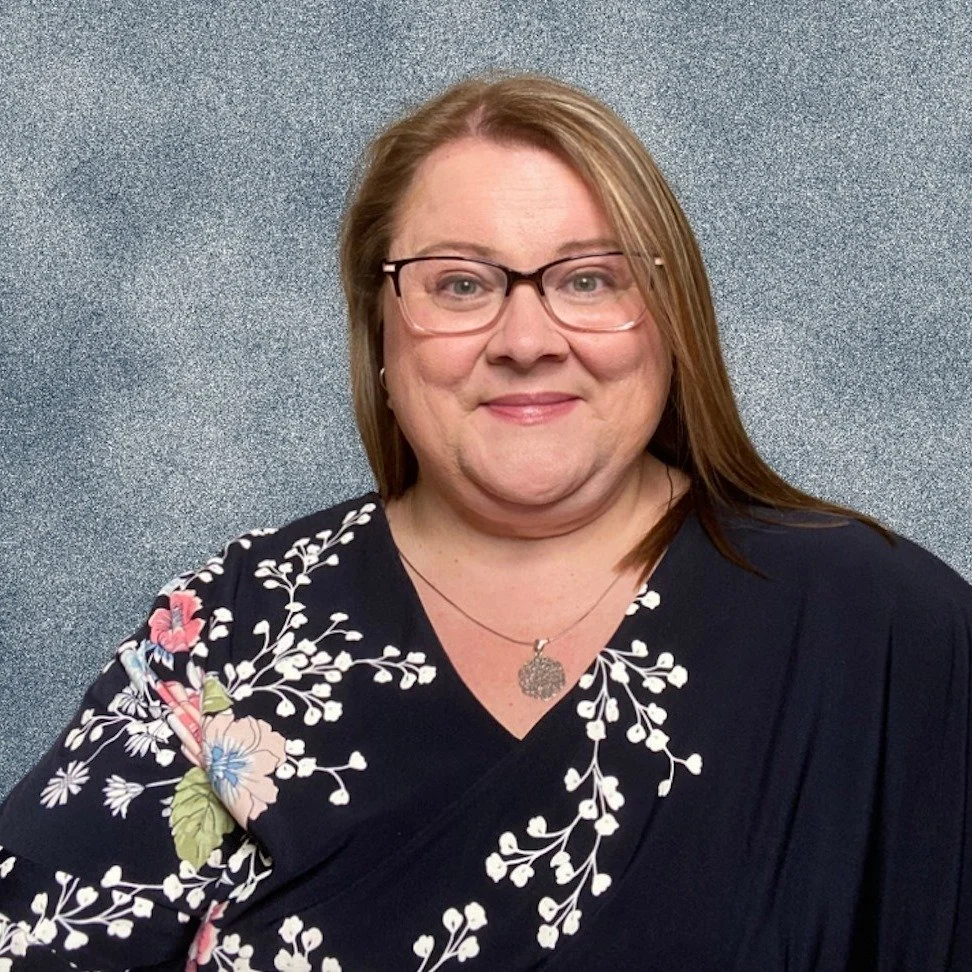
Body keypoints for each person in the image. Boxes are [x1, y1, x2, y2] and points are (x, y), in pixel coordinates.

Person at [0, 70, 969, 971]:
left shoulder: (884, 628)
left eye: (588, 279)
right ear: (380, 331)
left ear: (669, 319)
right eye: (460, 284)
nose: (527, 340)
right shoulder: (234, 632)